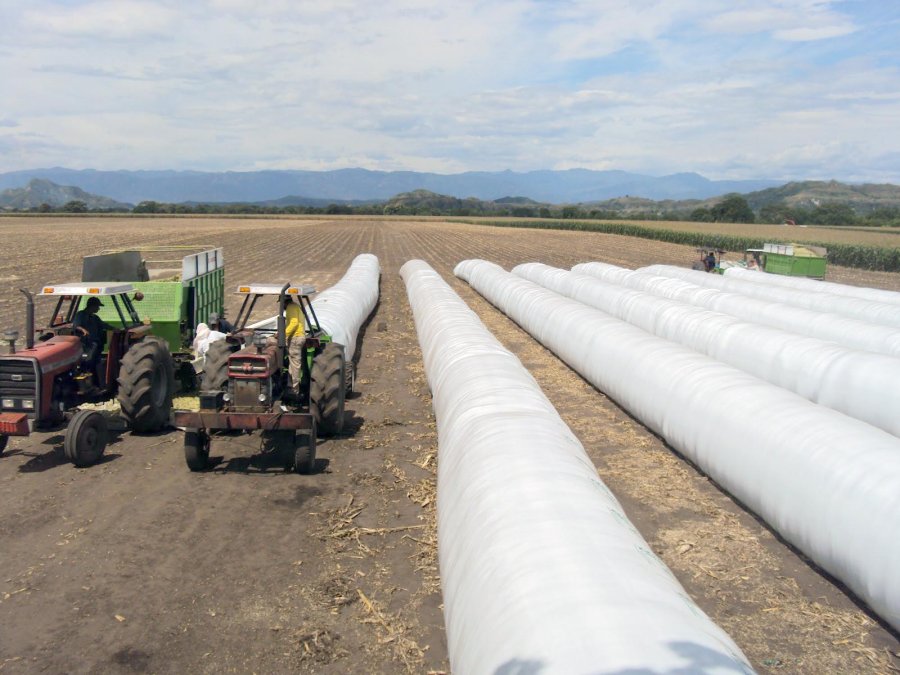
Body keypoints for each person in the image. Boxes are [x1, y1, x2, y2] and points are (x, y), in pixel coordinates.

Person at [73, 296, 116, 386]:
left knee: (96, 361)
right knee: (88, 360)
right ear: (92, 306)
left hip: (95, 343)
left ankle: (98, 383)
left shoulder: (95, 317)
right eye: (97, 306)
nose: (98, 308)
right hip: (85, 344)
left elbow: (104, 325)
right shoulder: (80, 315)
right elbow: (76, 325)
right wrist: (83, 330)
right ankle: (87, 379)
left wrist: (115, 329)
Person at [285, 296, 305, 395]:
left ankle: (295, 389)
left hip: (295, 338)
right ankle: (290, 385)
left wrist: (283, 334)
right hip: (297, 337)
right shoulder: (296, 306)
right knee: (292, 362)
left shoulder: (291, 307)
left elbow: (294, 323)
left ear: (285, 302)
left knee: (295, 363)